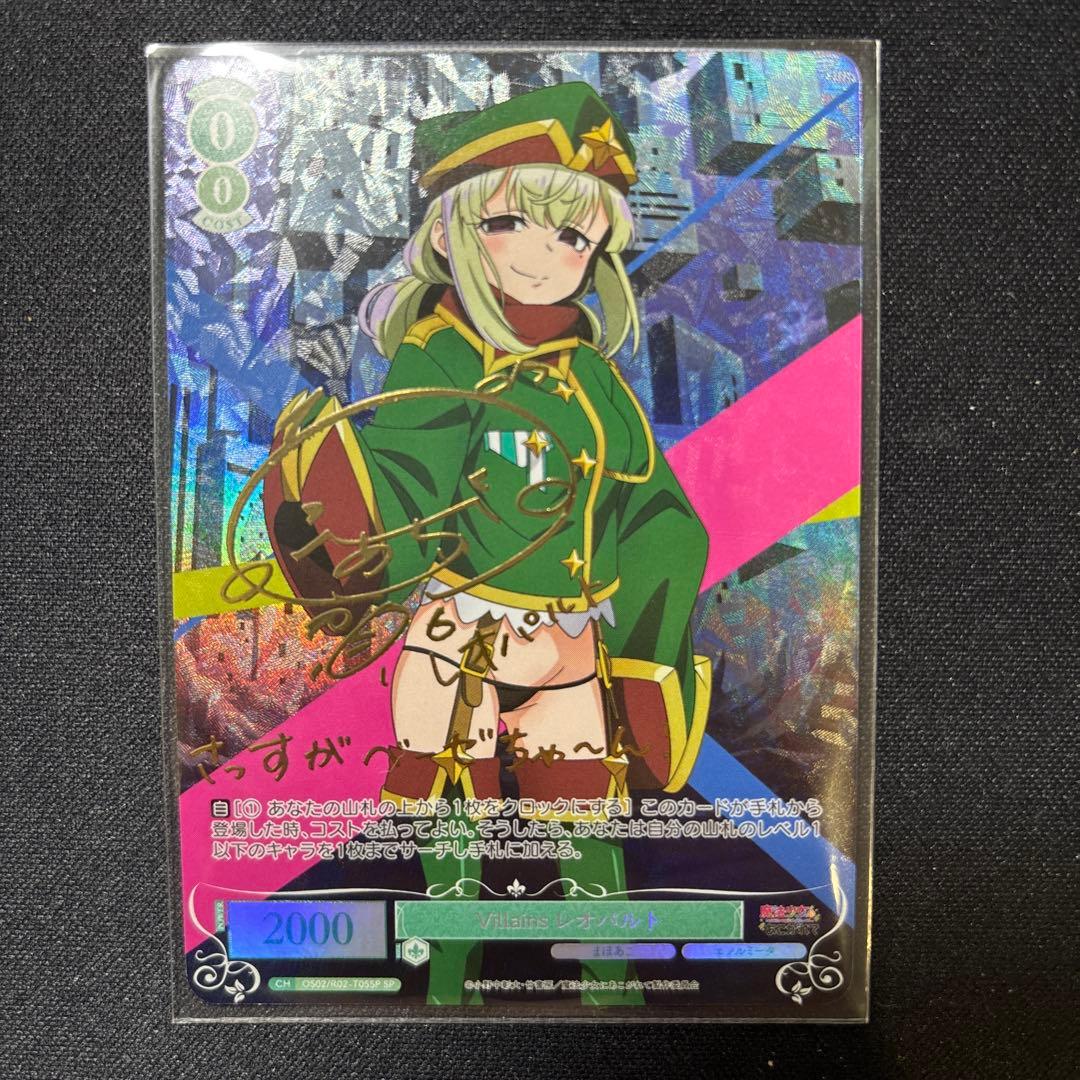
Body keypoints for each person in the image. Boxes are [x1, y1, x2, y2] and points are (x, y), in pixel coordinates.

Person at [263, 83, 712, 1004]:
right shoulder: (440, 353)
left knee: (585, 819)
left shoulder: (594, 377)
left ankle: (613, 989)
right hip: (456, 635)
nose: (548, 255)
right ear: (456, 231)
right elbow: (405, 484)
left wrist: (650, 648)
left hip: (569, 640)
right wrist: (337, 528)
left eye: (575, 237)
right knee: (450, 819)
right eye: (515, 222)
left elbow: (655, 511)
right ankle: (445, 986)